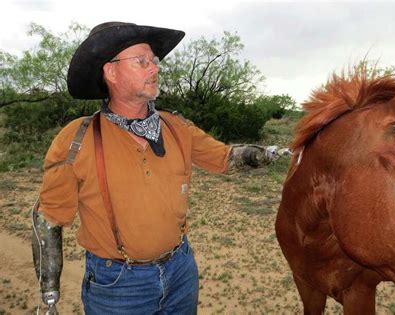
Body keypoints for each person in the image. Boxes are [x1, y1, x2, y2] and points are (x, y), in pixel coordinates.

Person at [32, 21, 283, 314]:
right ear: (110, 71)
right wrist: (50, 294)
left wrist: (268, 153)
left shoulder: (176, 127)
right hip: (117, 286)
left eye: (154, 61)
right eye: (142, 62)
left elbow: (225, 157)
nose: (154, 68)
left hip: (181, 271)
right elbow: (49, 220)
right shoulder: (77, 139)